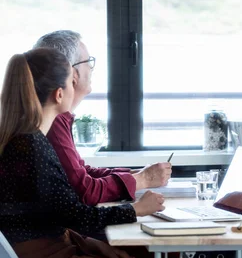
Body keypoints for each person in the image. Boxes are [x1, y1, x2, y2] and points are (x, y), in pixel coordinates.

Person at [0, 47, 194, 258]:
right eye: (72, 83)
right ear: (59, 95)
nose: (76, 88)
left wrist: (92, 244)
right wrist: (136, 209)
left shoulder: (28, 140)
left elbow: (54, 214)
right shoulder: (31, 146)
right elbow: (75, 215)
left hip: (51, 251)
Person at [34, 30, 172, 206]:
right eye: (88, 62)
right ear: (72, 74)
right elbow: (84, 191)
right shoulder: (53, 121)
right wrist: (143, 179)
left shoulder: (55, 117)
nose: (91, 68)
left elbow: (82, 172)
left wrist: (135, 174)